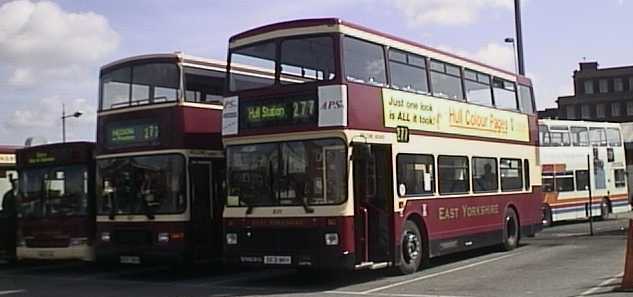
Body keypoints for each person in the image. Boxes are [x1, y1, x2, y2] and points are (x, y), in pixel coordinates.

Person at [1, 176, 18, 261]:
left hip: (17, 218)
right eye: (14, 183)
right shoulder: (8, 195)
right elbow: (4, 205)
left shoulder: (20, 193)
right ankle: (9, 250)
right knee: (10, 235)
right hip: (10, 218)